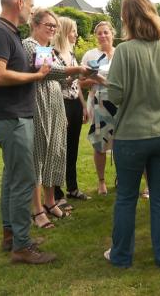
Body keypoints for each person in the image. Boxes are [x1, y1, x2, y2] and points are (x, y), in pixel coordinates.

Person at [103, 0, 160, 269]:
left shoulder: (124, 50)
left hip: (132, 136)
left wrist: (107, 80)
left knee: (126, 197)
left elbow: (116, 96)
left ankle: (121, 256)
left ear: (126, 19)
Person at [0, 0, 56, 264]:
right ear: (19, 2)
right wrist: (35, 78)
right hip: (11, 117)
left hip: (13, 115)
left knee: (11, 178)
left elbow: (9, 72)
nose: (32, 9)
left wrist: (34, 71)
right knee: (23, 180)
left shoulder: (8, 34)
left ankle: (11, 235)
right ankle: (22, 247)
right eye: (31, 4)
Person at [22, 8, 91, 228]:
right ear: (35, 25)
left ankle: (51, 203)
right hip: (39, 106)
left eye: (54, 26)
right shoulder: (31, 45)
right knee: (39, 157)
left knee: (55, 154)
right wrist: (76, 69)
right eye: (48, 25)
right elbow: (49, 71)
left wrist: (72, 76)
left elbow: (59, 78)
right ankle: (37, 210)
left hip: (55, 105)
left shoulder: (48, 49)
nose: (52, 29)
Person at [52, 16, 90, 203]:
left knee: (73, 148)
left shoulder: (72, 54)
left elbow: (76, 84)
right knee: (60, 150)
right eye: (73, 30)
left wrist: (83, 105)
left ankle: (72, 188)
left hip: (75, 103)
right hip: (61, 104)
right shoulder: (51, 53)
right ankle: (57, 194)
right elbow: (53, 84)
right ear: (65, 32)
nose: (76, 34)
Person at [80, 21, 117, 195]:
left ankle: (122, 178)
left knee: (121, 143)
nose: (103, 36)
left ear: (112, 34)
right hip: (98, 102)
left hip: (119, 104)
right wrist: (97, 80)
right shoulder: (90, 55)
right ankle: (101, 181)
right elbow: (80, 81)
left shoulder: (120, 53)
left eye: (106, 32)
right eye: (99, 33)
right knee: (99, 143)